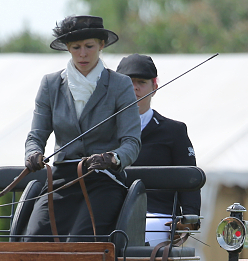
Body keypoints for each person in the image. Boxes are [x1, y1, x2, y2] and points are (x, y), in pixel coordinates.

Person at [23, 15, 141, 242]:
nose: (83, 54)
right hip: (61, 180)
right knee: (33, 239)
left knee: (79, 242)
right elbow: (36, 135)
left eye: (89, 46)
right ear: (68, 48)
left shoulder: (120, 84)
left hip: (104, 178)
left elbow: (132, 143)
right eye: (76, 47)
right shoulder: (50, 84)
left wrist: (113, 158)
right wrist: (33, 154)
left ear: (101, 45)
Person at [115, 54, 200, 245]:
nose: (135, 87)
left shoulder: (174, 131)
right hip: (110, 213)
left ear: (154, 87)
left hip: (158, 217)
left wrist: (189, 219)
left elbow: (190, 180)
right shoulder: (101, 131)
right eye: (128, 82)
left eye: (142, 82)